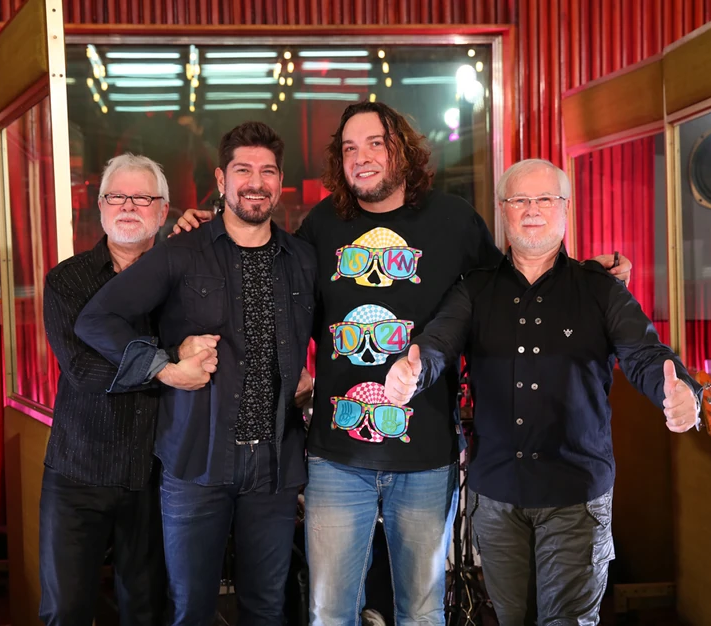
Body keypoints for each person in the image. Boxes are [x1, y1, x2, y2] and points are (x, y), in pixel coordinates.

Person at [175, 102, 633, 625]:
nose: (362, 157)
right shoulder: (323, 224)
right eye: (350, 147)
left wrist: (584, 277)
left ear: (403, 150)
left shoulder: (455, 221)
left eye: (376, 143)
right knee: (330, 613)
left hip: (427, 456)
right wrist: (211, 227)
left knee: (420, 611)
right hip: (337, 457)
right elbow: (269, 278)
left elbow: (512, 291)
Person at [383, 158, 702, 625]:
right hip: (497, 495)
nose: (532, 209)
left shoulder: (600, 290)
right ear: (503, 210)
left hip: (576, 493)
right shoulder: (475, 289)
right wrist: (413, 370)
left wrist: (679, 391)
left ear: (565, 208)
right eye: (520, 200)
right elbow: (438, 343)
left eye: (545, 199)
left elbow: (645, 355)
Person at [74, 121, 316, 626]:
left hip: (274, 468)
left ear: (280, 181)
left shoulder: (301, 258)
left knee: (267, 610)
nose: (256, 182)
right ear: (221, 179)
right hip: (196, 463)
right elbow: (97, 319)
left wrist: (312, 378)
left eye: (268, 171)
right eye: (243, 170)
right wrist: (163, 366)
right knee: (190, 612)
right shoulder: (182, 251)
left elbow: (332, 333)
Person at [40, 153, 214, 625]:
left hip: (155, 474)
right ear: (99, 206)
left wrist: (206, 233)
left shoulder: (184, 279)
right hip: (79, 469)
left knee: (147, 611)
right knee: (64, 611)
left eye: (142, 198)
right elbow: (83, 368)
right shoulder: (67, 280)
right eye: (116, 197)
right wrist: (169, 362)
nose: (128, 207)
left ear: (164, 211)